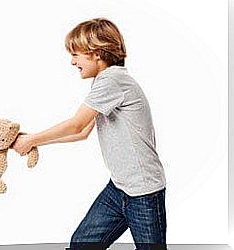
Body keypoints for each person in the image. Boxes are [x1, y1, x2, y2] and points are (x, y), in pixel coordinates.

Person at [13, 18, 167, 250]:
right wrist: (33, 141)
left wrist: (32, 140)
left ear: (96, 53)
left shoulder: (112, 79)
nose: (72, 62)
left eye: (76, 54)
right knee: (81, 245)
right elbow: (83, 132)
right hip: (118, 188)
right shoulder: (103, 81)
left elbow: (76, 125)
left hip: (144, 193)